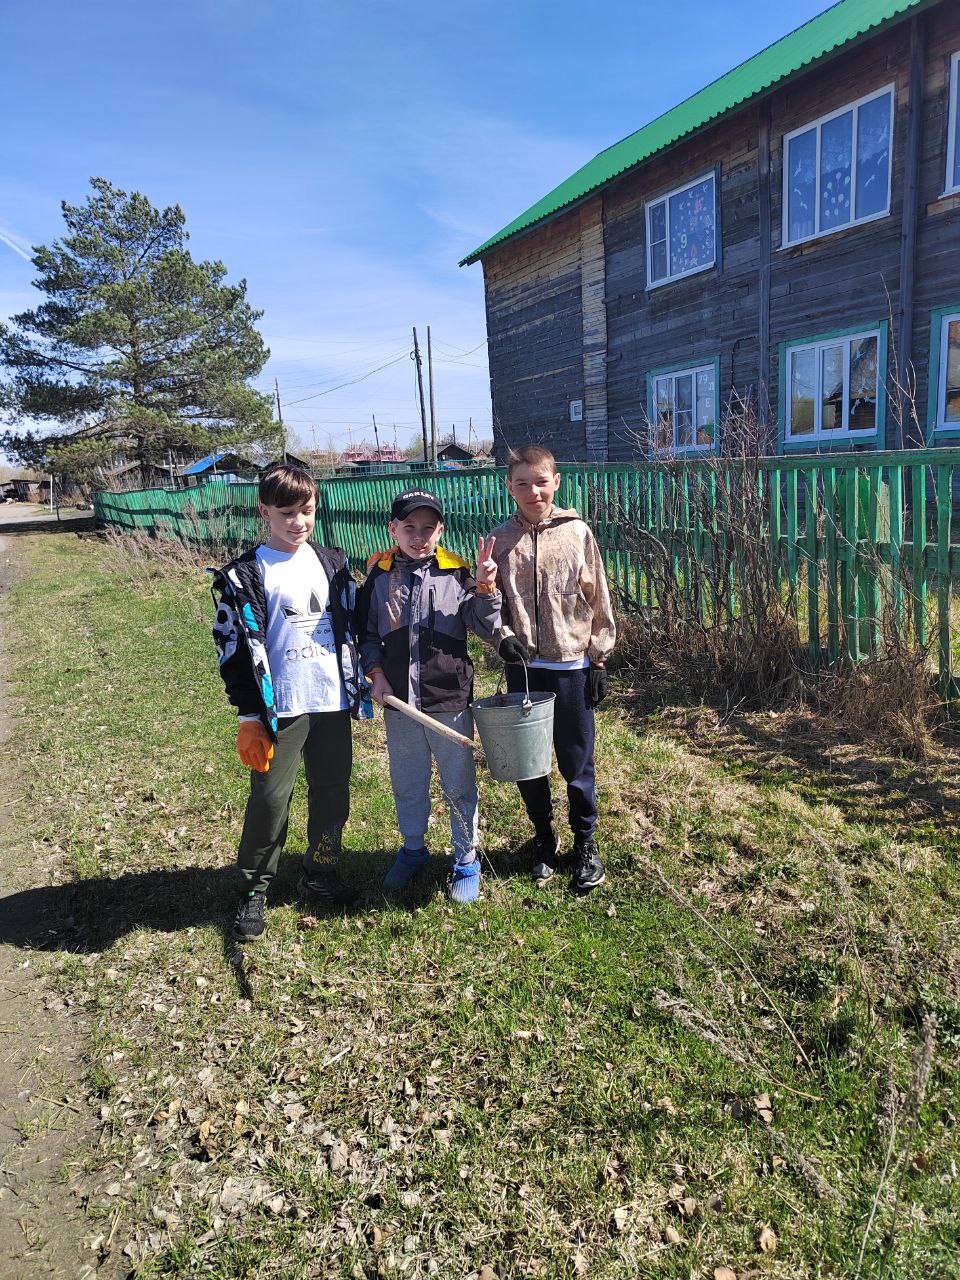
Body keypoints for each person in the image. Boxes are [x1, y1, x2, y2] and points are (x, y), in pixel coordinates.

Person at [210, 462, 371, 940]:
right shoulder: (243, 575)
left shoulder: (333, 564)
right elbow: (232, 650)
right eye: (287, 513)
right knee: (270, 799)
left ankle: (320, 872)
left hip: (331, 702)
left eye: (307, 511)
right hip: (280, 710)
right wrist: (248, 714)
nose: (298, 522)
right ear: (264, 511)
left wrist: (383, 573)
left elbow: (356, 623)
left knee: (332, 794)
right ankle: (254, 890)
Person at [357, 488, 520, 904]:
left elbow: (484, 627)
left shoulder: (458, 573)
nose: (418, 536)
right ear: (392, 528)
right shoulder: (378, 577)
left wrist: (486, 589)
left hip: (448, 698)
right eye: (408, 527)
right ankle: (413, 849)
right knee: (407, 782)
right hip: (399, 703)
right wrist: (376, 674)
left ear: (440, 530)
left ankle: (466, 859)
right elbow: (369, 634)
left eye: (428, 528)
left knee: (458, 784)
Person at [488, 444, 616, 893]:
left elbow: (598, 594)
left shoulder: (576, 532)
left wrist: (598, 657)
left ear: (556, 482)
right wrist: (502, 637)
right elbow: (489, 599)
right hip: (524, 670)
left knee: (577, 761)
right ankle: (544, 836)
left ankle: (586, 843)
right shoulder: (500, 540)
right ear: (509, 487)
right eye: (521, 483)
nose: (532, 491)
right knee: (530, 761)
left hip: (572, 666)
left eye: (540, 481)